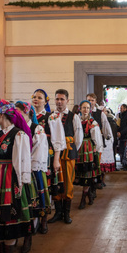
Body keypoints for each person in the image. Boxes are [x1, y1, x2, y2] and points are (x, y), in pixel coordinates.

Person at [0, 100, 32, 253]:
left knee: (8, 214)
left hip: (9, 177)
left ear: (1, 115)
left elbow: (22, 160)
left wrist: (21, 182)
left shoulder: (18, 135)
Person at [15, 100, 49, 251]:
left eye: (19, 112)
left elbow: (38, 152)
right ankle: (18, 233)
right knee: (19, 204)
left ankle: (30, 233)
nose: (16, 116)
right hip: (17, 169)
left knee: (32, 202)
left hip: (32, 169)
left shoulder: (37, 129)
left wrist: (27, 166)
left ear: (27, 112)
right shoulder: (14, 129)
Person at [47, 89, 83, 225]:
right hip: (53, 153)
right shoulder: (51, 116)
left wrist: (71, 149)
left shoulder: (74, 117)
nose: (59, 102)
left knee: (68, 182)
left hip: (68, 154)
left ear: (67, 100)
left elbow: (78, 138)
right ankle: (57, 212)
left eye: (62, 99)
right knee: (56, 181)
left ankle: (66, 213)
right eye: (57, 99)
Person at [31, 88, 63, 233]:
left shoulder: (52, 117)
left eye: (39, 97)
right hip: (33, 156)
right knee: (34, 186)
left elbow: (58, 139)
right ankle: (34, 218)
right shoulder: (29, 116)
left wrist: (56, 159)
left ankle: (44, 218)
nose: (36, 99)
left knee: (46, 187)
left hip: (47, 156)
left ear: (45, 101)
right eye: (34, 97)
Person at [75, 100, 103, 209]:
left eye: (87, 108)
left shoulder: (93, 122)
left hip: (89, 150)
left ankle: (83, 198)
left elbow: (97, 140)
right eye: (83, 108)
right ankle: (89, 196)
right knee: (81, 175)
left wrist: (98, 153)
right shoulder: (76, 120)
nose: (85, 110)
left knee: (87, 174)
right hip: (78, 149)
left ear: (89, 109)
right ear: (80, 109)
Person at [86, 93, 113, 189]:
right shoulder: (82, 112)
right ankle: (89, 180)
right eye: (89, 100)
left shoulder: (100, 113)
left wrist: (108, 136)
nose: (90, 102)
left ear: (95, 102)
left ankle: (98, 180)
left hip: (98, 140)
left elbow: (105, 125)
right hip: (86, 142)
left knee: (98, 161)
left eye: (92, 100)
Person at [117, 104, 127, 170]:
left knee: (125, 151)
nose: (120, 109)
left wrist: (121, 133)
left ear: (125, 109)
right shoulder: (121, 116)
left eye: (121, 108)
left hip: (125, 136)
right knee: (122, 150)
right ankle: (123, 164)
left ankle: (126, 165)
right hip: (122, 136)